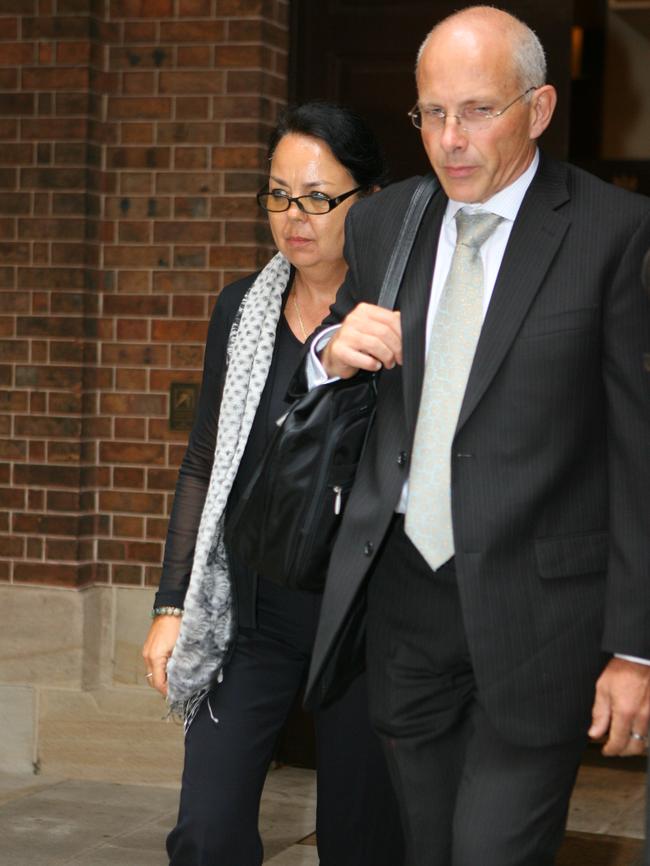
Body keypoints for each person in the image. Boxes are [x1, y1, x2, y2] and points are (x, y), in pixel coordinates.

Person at [302, 7, 650, 866]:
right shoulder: (389, 223)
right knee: (430, 847)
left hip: (542, 616)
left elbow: (641, 454)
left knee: (493, 851)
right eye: (431, 113)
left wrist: (636, 649)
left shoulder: (613, 233)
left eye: (478, 111)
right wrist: (329, 349)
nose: (450, 139)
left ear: (538, 109)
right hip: (407, 604)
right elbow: (340, 345)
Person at [141, 102, 403, 866]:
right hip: (251, 610)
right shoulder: (242, 310)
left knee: (361, 844)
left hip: (361, 618)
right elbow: (203, 464)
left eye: (319, 197)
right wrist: (172, 603)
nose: (296, 217)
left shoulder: (397, 313)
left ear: (370, 200)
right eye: (279, 195)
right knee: (207, 832)